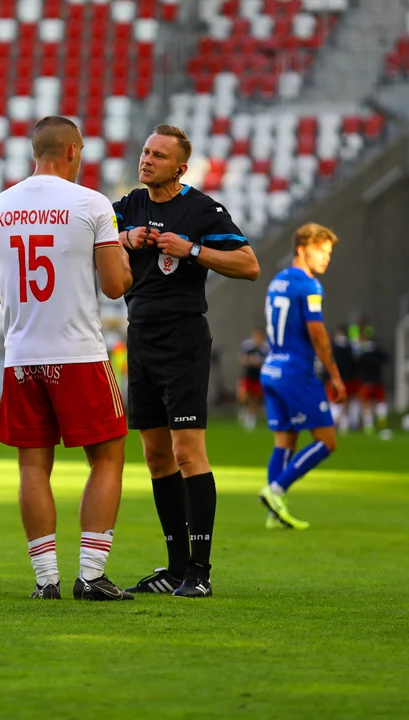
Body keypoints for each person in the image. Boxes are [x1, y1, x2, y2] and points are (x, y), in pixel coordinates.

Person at [0, 115, 133, 601]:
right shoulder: (90, 204)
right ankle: (91, 573)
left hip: (21, 356)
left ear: (34, 153)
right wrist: (120, 260)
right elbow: (114, 286)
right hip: (78, 353)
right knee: (107, 458)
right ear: (72, 151)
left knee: (32, 467)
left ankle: (46, 581)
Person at [114, 124, 260, 599]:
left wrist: (193, 250)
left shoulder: (201, 209)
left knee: (187, 452)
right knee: (156, 457)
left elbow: (249, 264)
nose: (147, 159)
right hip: (140, 339)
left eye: (158, 155)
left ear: (180, 167)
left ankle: (201, 571)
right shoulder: (129, 207)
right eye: (145, 151)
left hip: (184, 340)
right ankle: (175, 569)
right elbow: (90, 236)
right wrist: (123, 238)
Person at [258, 223, 344, 529]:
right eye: (321, 251)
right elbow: (318, 334)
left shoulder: (277, 281)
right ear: (301, 249)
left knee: (284, 441)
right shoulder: (309, 285)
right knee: (327, 441)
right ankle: (276, 490)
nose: (326, 258)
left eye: (329, 252)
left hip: (271, 368)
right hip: (296, 371)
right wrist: (334, 373)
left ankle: (274, 514)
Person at [357, 327, 389, 434]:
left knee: (366, 403)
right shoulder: (378, 352)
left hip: (366, 382)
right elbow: (386, 358)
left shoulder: (363, 354)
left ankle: (368, 425)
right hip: (378, 381)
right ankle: (382, 422)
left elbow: (358, 366)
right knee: (380, 402)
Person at [329, 326, 360, 432]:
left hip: (336, 378)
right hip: (348, 378)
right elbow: (355, 363)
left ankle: (336, 422)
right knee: (346, 400)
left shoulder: (332, 348)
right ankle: (345, 424)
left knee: (335, 400)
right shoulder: (350, 348)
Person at [236, 329, 268, 431]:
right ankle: (244, 410)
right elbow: (242, 358)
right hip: (247, 375)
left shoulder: (265, 348)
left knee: (254, 398)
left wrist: (257, 363)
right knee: (242, 395)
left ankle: (251, 419)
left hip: (258, 377)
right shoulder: (247, 346)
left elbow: (266, 362)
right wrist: (250, 361)